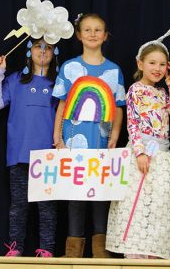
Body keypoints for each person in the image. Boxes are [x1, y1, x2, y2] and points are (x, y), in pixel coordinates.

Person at [52, 13, 126, 258]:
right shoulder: (69, 67)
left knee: (100, 196)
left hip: (101, 142)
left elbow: (117, 107)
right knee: (75, 197)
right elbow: (62, 105)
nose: (93, 34)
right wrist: (57, 138)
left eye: (98, 30)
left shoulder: (113, 70)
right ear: (79, 35)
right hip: (73, 141)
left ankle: (100, 252)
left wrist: (115, 135)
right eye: (87, 30)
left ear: (105, 36)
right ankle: (73, 253)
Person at [106, 42, 170, 259]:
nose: (157, 68)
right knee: (136, 205)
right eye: (152, 63)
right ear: (141, 64)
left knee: (161, 204)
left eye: (162, 64)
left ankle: (155, 253)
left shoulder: (162, 92)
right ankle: (135, 255)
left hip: (162, 155)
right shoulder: (135, 90)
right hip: (141, 154)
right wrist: (139, 152)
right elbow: (133, 124)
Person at [0, 38, 58, 257]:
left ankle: (47, 249)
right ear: (29, 50)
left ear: (55, 53)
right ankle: (15, 247)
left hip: (48, 156)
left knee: (47, 207)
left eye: (49, 47)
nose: (43, 50)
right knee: (18, 206)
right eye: (38, 45)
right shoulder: (16, 80)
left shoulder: (59, 84)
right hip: (19, 154)